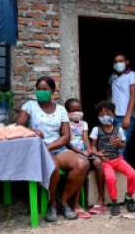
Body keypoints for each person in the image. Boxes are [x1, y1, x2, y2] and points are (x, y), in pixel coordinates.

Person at [15, 76, 90, 222]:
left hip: (56, 147)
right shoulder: (30, 106)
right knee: (53, 165)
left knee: (83, 164)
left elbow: (66, 136)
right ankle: (52, 204)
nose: (41, 92)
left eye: (45, 89)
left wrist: (49, 147)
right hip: (38, 148)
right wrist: (32, 130)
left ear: (53, 91)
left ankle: (64, 202)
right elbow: (18, 126)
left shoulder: (61, 110)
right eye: (39, 89)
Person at [89, 100, 135, 216]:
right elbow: (93, 146)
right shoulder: (96, 130)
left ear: (114, 115)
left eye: (109, 114)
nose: (106, 117)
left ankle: (129, 197)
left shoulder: (119, 129)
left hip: (118, 159)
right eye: (102, 115)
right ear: (98, 117)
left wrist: (118, 144)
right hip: (105, 162)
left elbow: (124, 144)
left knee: (133, 174)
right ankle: (114, 202)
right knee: (111, 179)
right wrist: (97, 154)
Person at [64, 98, 107, 216]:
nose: (77, 112)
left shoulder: (84, 124)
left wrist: (88, 150)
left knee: (98, 162)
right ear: (67, 112)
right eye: (73, 110)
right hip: (72, 152)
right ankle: (76, 202)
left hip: (83, 151)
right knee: (82, 165)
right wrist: (80, 152)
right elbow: (67, 142)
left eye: (78, 109)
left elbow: (85, 139)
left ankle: (101, 199)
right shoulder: (65, 123)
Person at [107, 53, 135, 162]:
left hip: (125, 116)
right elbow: (109, 92)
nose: (118, 63)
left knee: (119, 147)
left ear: (127, 62)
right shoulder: (112, 77)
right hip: (114, 117)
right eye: (116, 61)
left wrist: (128, 116)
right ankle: (125, 176)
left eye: (120, 61)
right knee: (121, 148)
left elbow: (133, 97)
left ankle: (119, 176)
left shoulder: (131, 75)